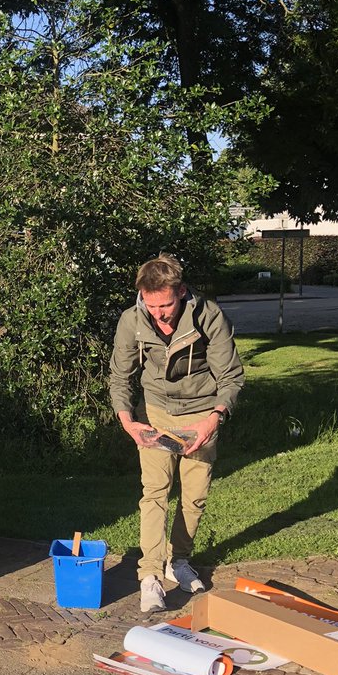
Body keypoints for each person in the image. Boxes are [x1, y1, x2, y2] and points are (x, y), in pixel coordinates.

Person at [109, 254, 244, 614]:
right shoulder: (132, 320)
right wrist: (128, 421)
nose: (159, 314)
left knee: (194, 496)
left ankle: (179, 561)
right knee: (155, 492)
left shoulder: (209, 316)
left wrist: (214, 419)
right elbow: (120, 377)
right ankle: (150, 575)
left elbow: (231, 376)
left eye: (166, 305)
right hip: (154, 413)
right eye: (151, 305)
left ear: (181, 292)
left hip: (201, 414)